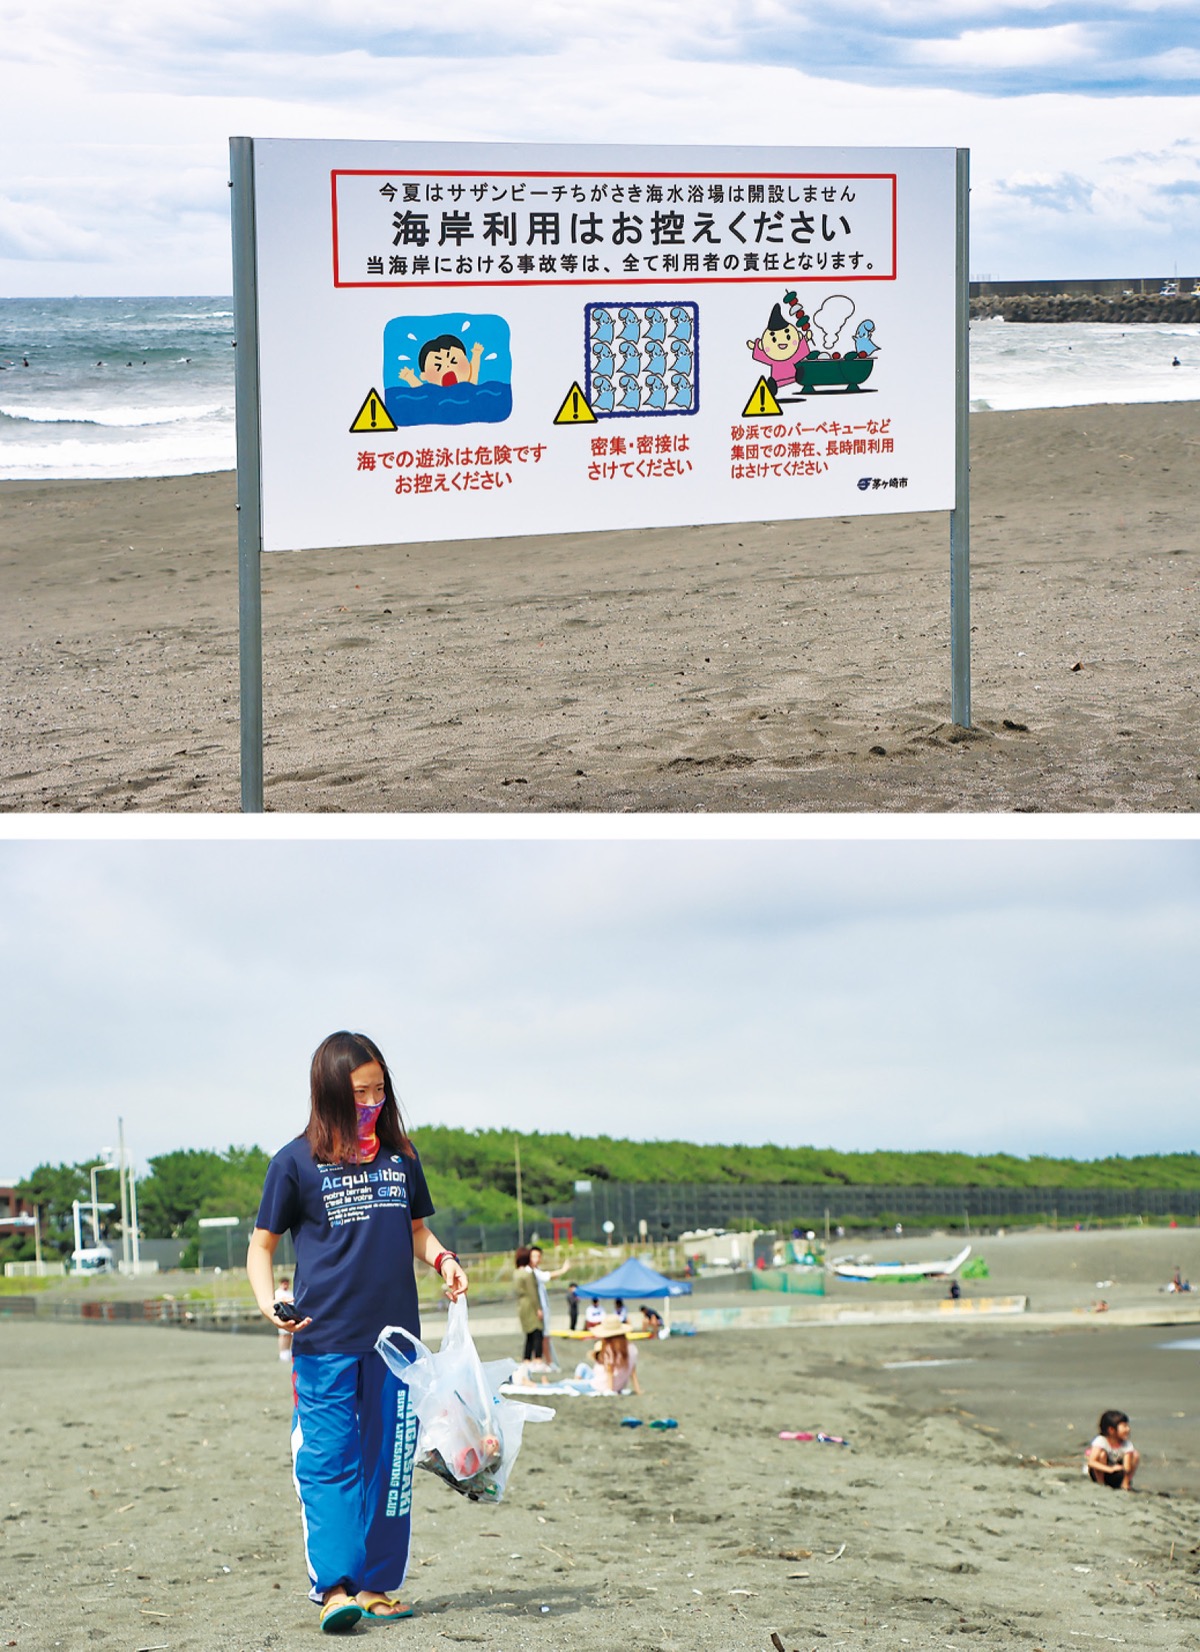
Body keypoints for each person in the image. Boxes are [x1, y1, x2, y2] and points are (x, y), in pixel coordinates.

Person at [247, 1031, 468, 1634]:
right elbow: (261, 1247)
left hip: (397, 1347)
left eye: (378, 1089)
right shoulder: (294, 1162)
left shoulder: (403, 1156)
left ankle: (376, 1586)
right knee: (329, 1462)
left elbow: (416, 1230)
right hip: (323, 1343)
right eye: (358, 1092)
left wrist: (444, 1259)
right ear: (328, 1095)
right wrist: (272, 1305)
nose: (371, 1102)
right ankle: (335, 1587)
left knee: (391, 1464)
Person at [574, 1314, 642, 1395]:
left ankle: (576, 1382)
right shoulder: (632, 1349)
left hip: (600, 1385)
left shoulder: (610, 1349)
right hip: (617, 1386)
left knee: (564, 1384)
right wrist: (637, 1390)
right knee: (582, 1369)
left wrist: (610, 1390)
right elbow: (632, 1372)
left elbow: (610, 1370)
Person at [527, 1244, 570, 1368]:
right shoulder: (530, 1272)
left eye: (538, 1256)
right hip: (538, 1309)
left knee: (542, 1335)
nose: (536, 1258)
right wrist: (563, 1270)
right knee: (542, 1336)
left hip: (543, 1307)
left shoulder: (536, 1270)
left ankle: (543, 1360)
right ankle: (546, 1362)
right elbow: (548, 1276)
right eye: (534, 1256)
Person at [1084, 1409, 1139, 1490]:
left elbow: (1127, 1467)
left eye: (1127, 1426)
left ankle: (1125, 1483)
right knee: (1102, 1454)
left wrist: (1125, 1469)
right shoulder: (1101, 1441)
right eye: (1124, 1426)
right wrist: (1110, 1469)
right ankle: (1100, 1484)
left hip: (1117, 1472)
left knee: (1135, 1455)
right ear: (1111, 1430)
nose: (1128, 1429)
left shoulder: (1126, 1444)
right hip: (1101, 1470)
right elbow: (1091, 1462)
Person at [514, 1246, 545, 1363]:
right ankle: (537, 1358)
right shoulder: (528, 1274)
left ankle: (526, 1359)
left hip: (521, 1305)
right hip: (530, 1304)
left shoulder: (516, 1273)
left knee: (529, 1333)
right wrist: (538, 1309)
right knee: (537, 1331)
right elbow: (533, 1293)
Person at [273, 1276, 295, 1361]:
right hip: (282, 1315)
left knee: (289, 1335)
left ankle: (287, 1351)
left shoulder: (290, 1292)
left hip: (291, 1315)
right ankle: (282, 1352)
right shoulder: (278, 1293)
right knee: (283, 1335)